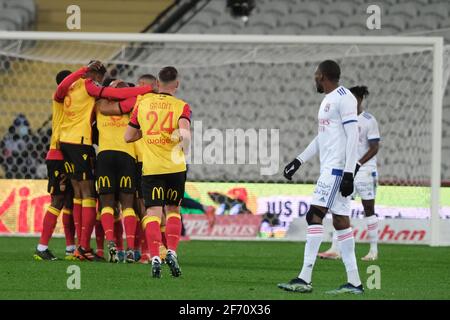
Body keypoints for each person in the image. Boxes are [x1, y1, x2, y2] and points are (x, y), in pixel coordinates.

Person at [278, 60, 364, 295]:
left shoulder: (344, 98)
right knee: (340, 222)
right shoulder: (327, 100)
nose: (314, 77)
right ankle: (355, 282)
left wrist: (348, 173)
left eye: (316, 74)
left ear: (323, 76)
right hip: (333, 169)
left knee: (314, 215)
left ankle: (304, 278)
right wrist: (298, 161)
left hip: (336, 170)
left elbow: (353, 134)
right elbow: (321, 138)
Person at [59, 60, 153, 261]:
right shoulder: (133, 105)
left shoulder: (99, 105)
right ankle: (130, 249)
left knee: (106, 204)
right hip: (128, 157)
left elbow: (93, 119)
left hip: (104, 157)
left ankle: (109, 245)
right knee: (129, 206)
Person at [125, 66, 191, 278]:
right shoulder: (181, 106)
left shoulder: (142, 104)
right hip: (175, 167)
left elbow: (128, 136)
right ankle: (171, 251)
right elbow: (186, 135)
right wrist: (183, 149)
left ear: (157, 84)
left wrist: (146, 135)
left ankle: (155, 256)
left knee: (152, 213)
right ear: (177, 84)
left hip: (151, 167)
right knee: (173, 210)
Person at [318, 85, 380, 261]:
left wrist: (359, 163)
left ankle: (373, 251)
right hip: (347, 172)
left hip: (366, 171)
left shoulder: (369, 120)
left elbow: (375, 147)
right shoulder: (342, 119)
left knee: (369, 208)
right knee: (340, 208)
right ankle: (335, 249)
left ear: (360, 99)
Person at [33, 68, 87, 261]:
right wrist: (83, 72)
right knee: (57, 199)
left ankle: (70, 247)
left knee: (70, 201)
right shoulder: (59, 99)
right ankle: (41, 247)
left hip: (72, 152)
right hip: (57, 153)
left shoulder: (77, 102)